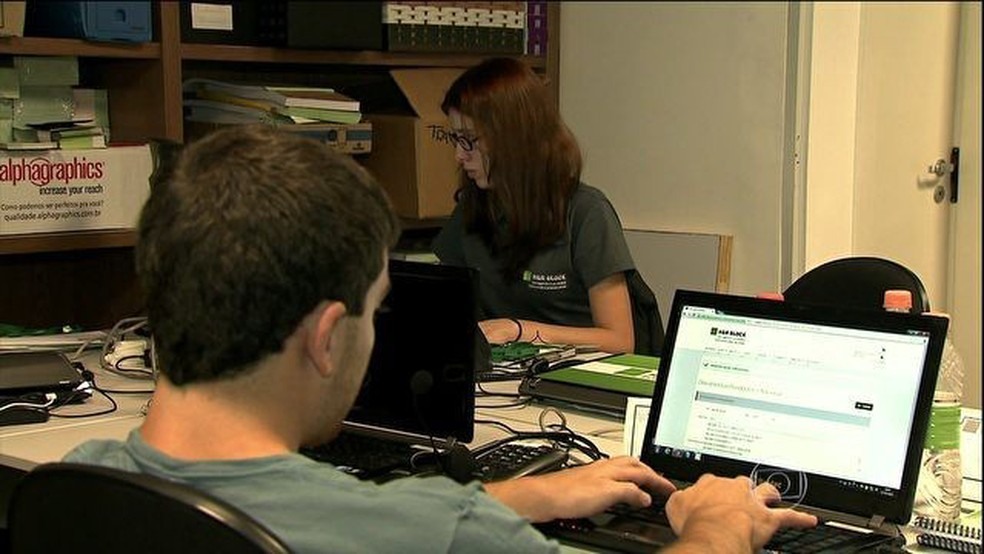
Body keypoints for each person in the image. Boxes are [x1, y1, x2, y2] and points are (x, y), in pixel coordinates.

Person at [64, 126, 815, 553]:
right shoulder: (442, 536)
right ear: (327, 337)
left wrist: (513, 498)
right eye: (374, 311)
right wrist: (717, 525)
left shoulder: (81, 481)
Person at [432, 57, 638, 354]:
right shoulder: (472, 209)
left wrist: (519, 330)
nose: (459, 156)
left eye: (469, 140)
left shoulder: (586, 212)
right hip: (495, 384)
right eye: (455, 138)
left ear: (514, 138)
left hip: (570, 380)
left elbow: (619, 341)